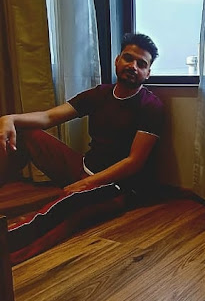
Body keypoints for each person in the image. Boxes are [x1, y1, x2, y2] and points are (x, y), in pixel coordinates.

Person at [0, 32, 164, 265]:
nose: (133, 66)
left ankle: (7, 244)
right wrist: (9, 119)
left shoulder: (151, 106)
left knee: (63, 209)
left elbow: (134, 162)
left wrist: (87, 184)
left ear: (147, 73)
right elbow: (48, 117)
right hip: (83, 167)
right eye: (128, 58)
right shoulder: (100, 94)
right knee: (24, 133)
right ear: (117, 60)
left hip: (117, 185)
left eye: (141, 64)